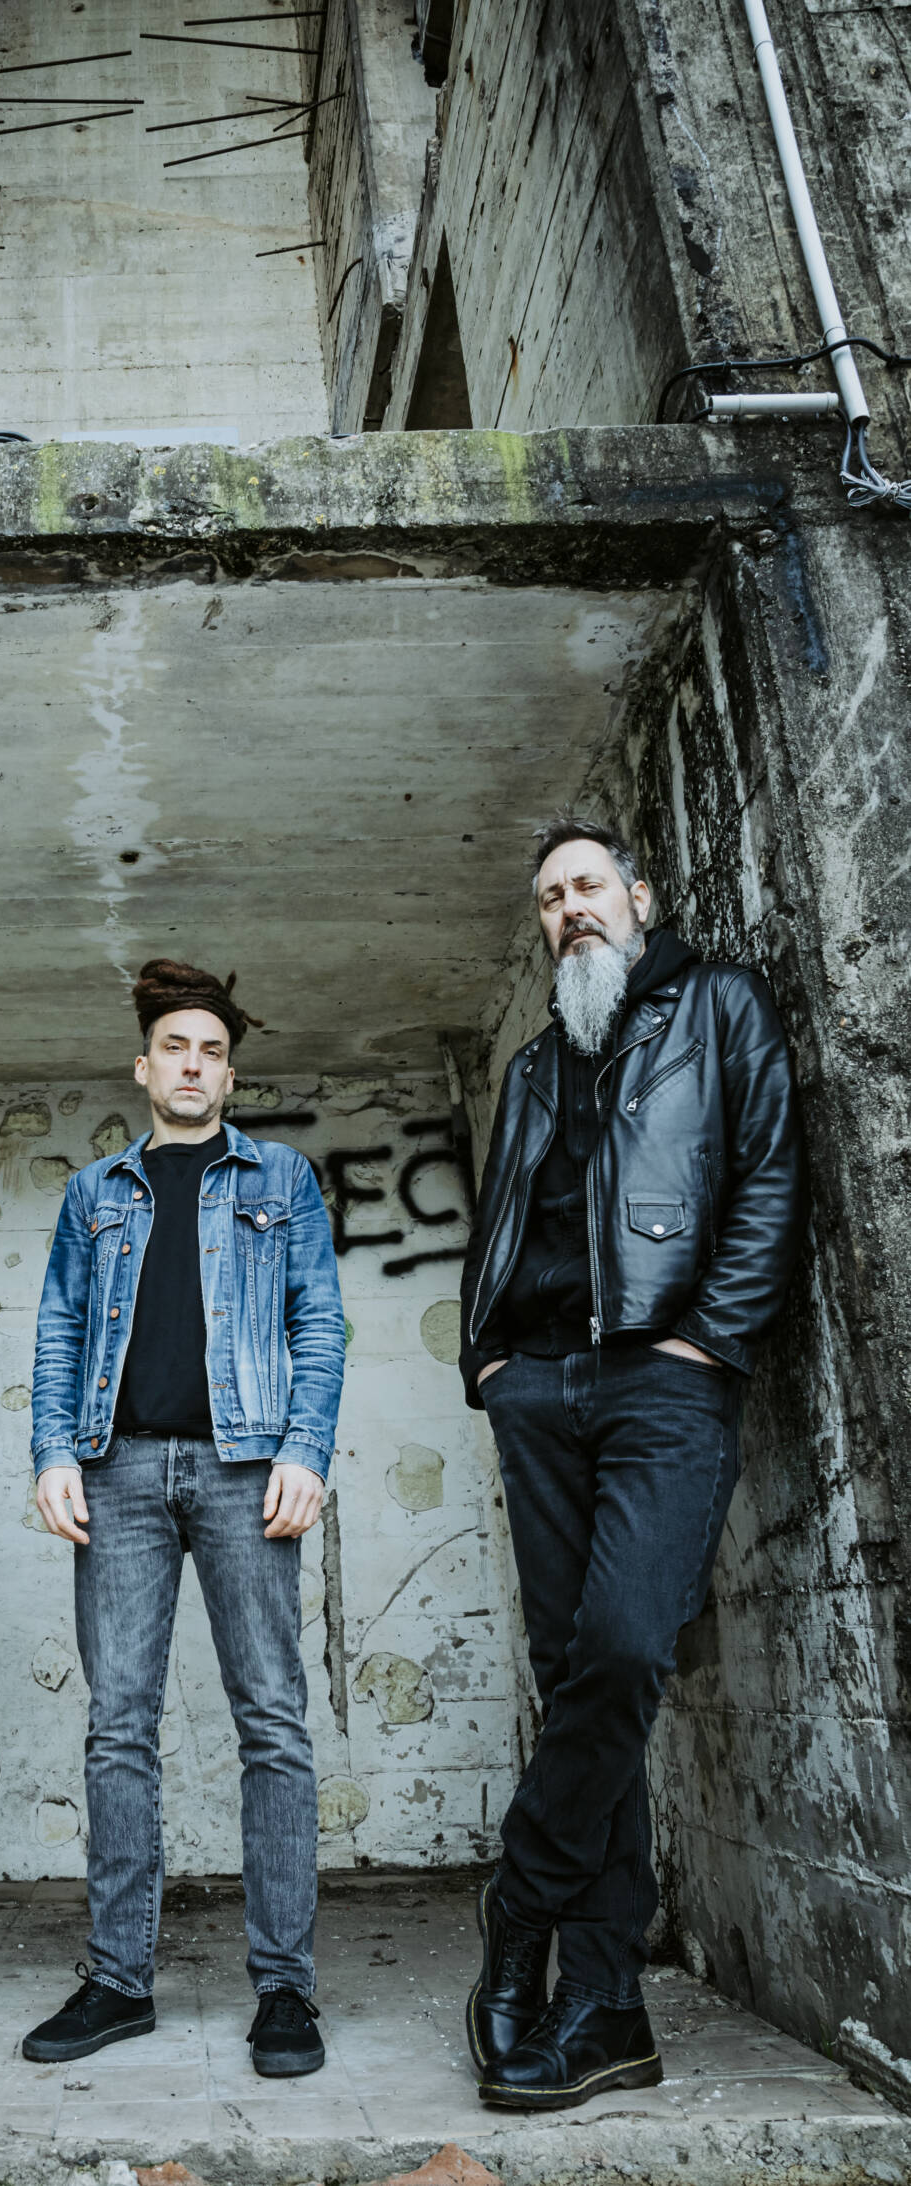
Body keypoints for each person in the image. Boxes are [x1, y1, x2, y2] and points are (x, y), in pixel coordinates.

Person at [460, 817, 805, 2110]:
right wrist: (490, 1360)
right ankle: (605, 2008)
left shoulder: (718, 1006)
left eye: (589, 885)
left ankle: (519, 1905)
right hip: (540, 1387)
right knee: (576, 1682)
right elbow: (504, 1216)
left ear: (639, 897)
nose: (571, 908)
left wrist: (708, 1340)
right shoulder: (536, 1063)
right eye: (551, 896)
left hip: (665, 1376)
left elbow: (769, 1172)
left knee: (620, 1650)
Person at [24, 960, 345, 2077]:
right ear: (143, 1067)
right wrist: (52, 1453)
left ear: (230, 1074)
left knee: (273, 1723)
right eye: (176, 1049)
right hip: (116, 1473)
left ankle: (285, 1991)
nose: (194, 1066)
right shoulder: (94, 1194)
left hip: (245, 1469)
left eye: (212, 1051)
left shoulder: (281, 1178)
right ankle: (118, 1981)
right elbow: (61, 1329)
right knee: (118, 1726)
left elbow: (319, 1323)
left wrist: (305, 1452)